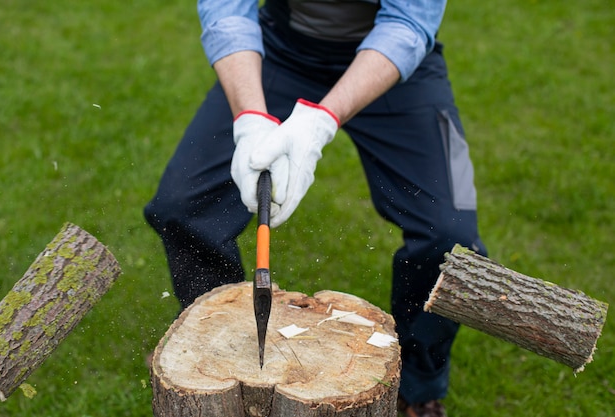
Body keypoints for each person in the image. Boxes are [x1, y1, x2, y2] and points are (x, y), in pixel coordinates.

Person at [144, 1, 487, 416]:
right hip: (282, 52)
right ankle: (218, 352)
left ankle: (417, 383)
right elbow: (227, 10)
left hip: (399, 65)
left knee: (452, 238)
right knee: (182, 206)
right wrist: (250, 116)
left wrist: (322, 121)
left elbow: (411, 21)